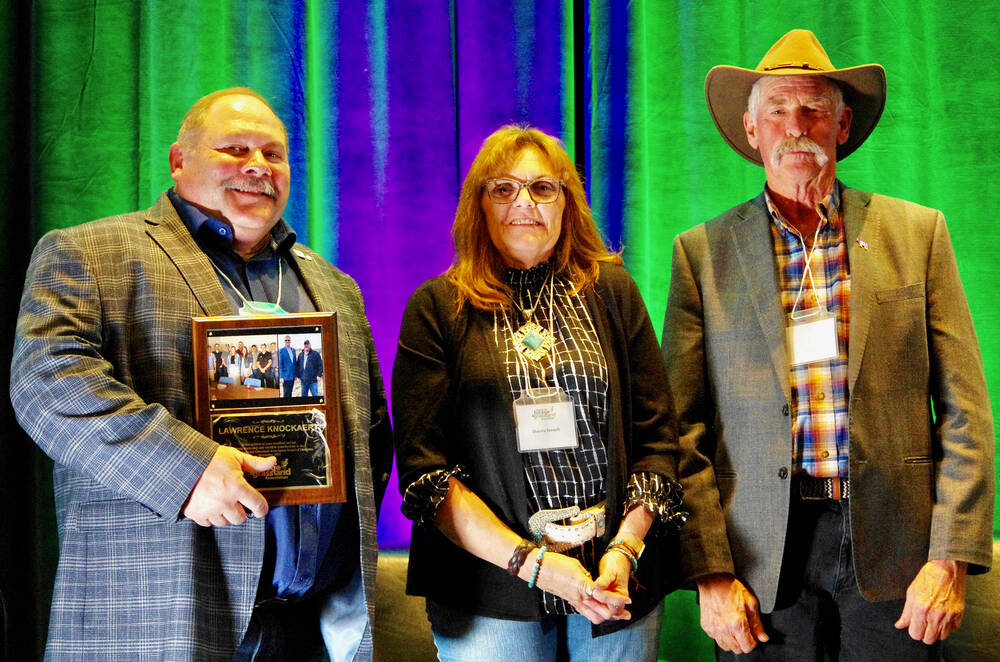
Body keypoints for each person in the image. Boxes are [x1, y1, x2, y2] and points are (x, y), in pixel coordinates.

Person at [11, 87, 393, 661]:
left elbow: (370, 441)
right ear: (178, 160)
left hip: (312, 629)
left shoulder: (333, 284)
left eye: (273, 154)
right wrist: (189, 471)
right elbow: (47, 385)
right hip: (159, 617)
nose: (257, 167)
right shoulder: (88, 253)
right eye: (235, 149)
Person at [661, 29, 994, 660]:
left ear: (842, 126)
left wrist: (949, 557)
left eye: (814, 108)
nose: (797, 125)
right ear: (751, 130)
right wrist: (707, 572)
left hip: (900, 558)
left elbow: (965, 414)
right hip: (757, 564)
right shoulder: (701, 254)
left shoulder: (919, 233)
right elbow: (681, 432)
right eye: (777, 111)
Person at [392, 125, 687, 662]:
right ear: (477, 206)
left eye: (542, 189)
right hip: (489, 589)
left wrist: (626, 549)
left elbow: (658, 437)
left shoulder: (613, 291)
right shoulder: (436, 308)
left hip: (615, 580)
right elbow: (424, 473)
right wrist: (534, 565)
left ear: (566, 204)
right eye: (502, 189)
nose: (523, 203)